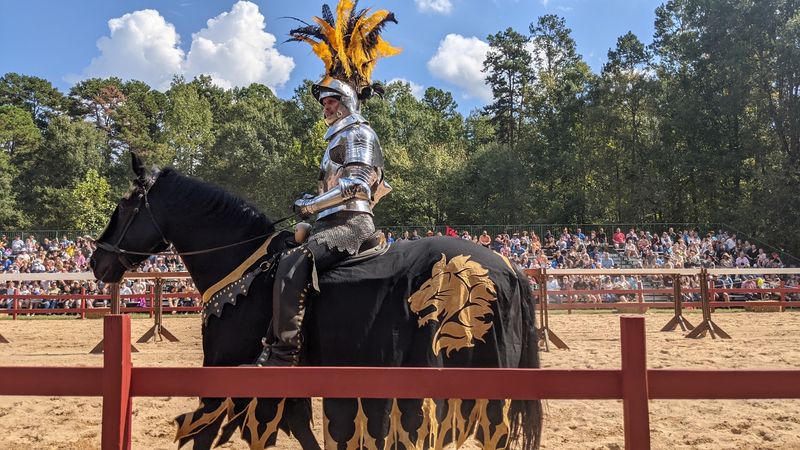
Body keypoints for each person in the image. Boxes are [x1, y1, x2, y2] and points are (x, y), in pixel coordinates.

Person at [253, 2, 400, 367]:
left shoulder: (359, 133)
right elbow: (334, 185)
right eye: (323, 101)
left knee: (293, 266)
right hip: (329, 222)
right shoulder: (337, 138)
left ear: (347, 101)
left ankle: (285, 355)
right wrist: (313, 204)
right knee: (278, 256)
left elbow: (357, 186)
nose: (325, 107)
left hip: (351, 223)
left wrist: (311, 205)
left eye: (331, 100)